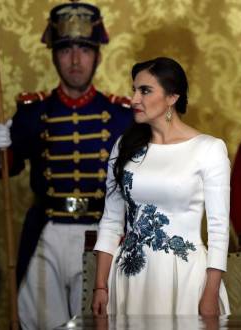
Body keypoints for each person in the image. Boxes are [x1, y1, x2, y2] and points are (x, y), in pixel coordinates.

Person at [0, 2, 133, 329]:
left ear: (98, 55)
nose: (75, 60)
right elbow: (6, 170)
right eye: (65, 50)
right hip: (46, 233)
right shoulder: (31, 112)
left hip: (101, 233)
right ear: (53, 56)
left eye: (84, 49)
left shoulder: (122, 116)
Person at [91, 57, 231, 316]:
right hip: (129, 278)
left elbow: (219, 230)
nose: (134, 99)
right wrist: (100, 287)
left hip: (185, 278)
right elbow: (111, 221)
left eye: (145, 90)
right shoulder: (123, 147)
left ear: (172, 97)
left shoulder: (209, 149)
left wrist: (210, 292)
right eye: (134, 89)